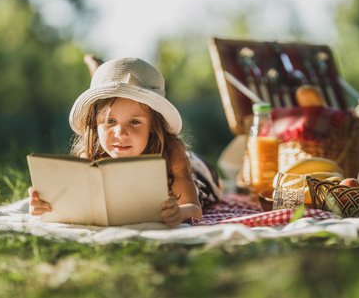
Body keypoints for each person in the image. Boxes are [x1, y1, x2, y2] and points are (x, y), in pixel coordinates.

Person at [28, 57, 221, 226]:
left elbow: (194, 208)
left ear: (153, 125)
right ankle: (104, 77)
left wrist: (179, 213)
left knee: (203, 170)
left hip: (198, 171)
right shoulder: (91, 150)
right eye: (110, 121)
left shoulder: (172, 151)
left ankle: (104, 75)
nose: (121, 133)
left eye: (134, 122)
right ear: (95, 125)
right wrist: (45, 203)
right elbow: (73, 200)